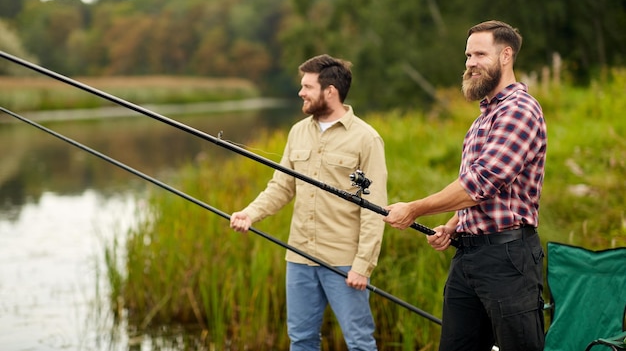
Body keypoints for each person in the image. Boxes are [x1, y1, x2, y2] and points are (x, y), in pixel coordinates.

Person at [383, 20, 547, 351]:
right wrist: (451, 225)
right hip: (468, 258)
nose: (470, 63)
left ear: (505, 55)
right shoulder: (481, 120)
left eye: (479, 54)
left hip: (508, 258)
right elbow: (485, 194)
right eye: (467, 55)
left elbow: (480, 183)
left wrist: (414, 208)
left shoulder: (519, 110)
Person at [230, 54, 388, 351]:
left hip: (344, 261)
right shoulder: (297, 132)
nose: (301, 92)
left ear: (330, 91)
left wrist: (363, 266)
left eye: (307, 86)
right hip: (299, 257)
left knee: (359, 343)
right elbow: (281, 187)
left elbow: (374, 207)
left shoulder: (366, 139)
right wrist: (250, 214)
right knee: (301, 341)